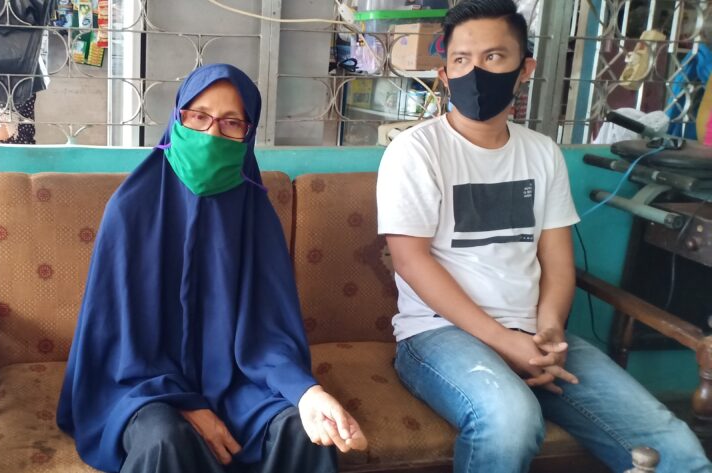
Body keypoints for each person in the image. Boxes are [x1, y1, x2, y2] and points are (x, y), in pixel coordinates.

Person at [376, 1, 712, 472]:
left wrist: (549, 331)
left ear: (525, 69)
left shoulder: (542, 153)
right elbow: (411, 262)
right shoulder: (416, 152)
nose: (476, 71)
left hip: (535, 333)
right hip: (438, 334)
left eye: (494, 56)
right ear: (445, 75)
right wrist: (503, 341)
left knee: (672, 445)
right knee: (510, 420)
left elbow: (557, 259)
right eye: (461, 60)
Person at [57, 64, 366, 473]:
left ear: (248, 135)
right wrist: (185, 403)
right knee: (164, 438)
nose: (211, 135)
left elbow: (270, 333)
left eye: (231, 123)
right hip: (141, 387)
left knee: (302, 430)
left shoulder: (256, 218)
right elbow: (118, 344)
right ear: (177, 117)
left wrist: (307, 394)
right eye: (199, 117)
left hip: (238, 385)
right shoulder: (130, 209)